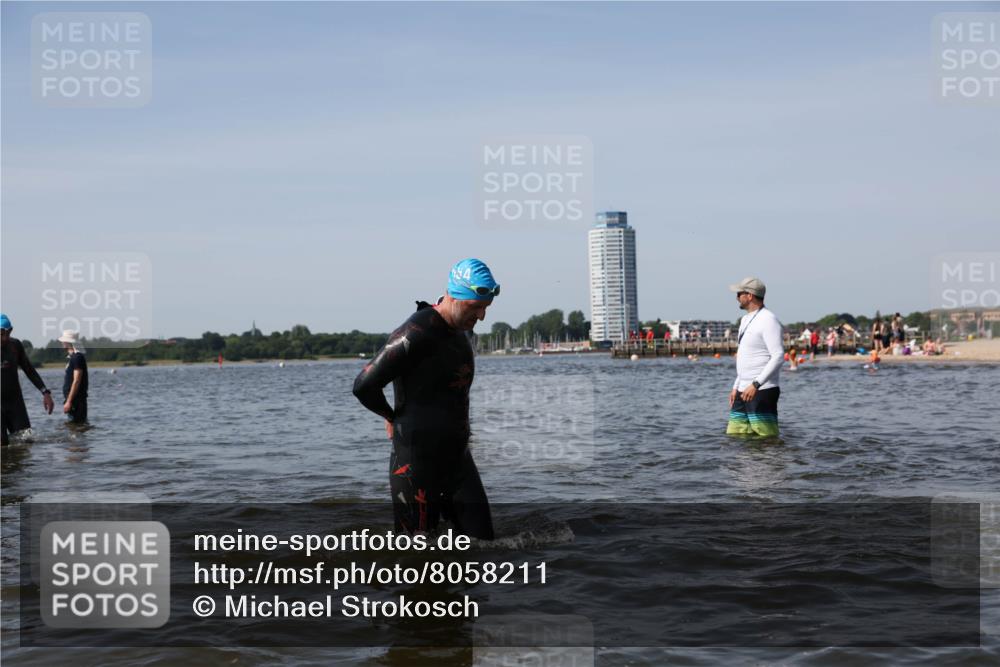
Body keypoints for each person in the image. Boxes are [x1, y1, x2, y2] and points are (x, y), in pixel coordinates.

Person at [352, 259, 498, 540]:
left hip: (457, 462)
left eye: (485, 308)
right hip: (416, 467)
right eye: (475, 307)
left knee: (485, 546)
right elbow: (364, 385)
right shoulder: (416, 332)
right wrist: (390, 415)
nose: (481, 316)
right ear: (453, 296)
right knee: (416, 557)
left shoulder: (460, 328)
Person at [727, 277, 783, 438]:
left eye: (739, 293)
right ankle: (746, 465)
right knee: (735, 436)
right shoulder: (745, 320)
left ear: (750, 295)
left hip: (762, 389)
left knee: (766, 439)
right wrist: (736, 386)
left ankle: (768, 464)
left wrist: (756, 384)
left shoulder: (769, 320)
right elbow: (746, 356)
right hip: (743, 389)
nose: (737, 297)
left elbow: (778, 356)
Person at [1, 314, 54, 445]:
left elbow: (29, 370)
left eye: (7, 333)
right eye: (1, 334)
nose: (4, 338)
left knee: (26, 441)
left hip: (15, 402)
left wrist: (45, 392)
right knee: (2, 444)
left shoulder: (15, 346)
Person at [58, 330, 89, 424]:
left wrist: (69, 401)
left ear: (68, 342)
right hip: (75, 401)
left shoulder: (77, 358)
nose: (62, 342)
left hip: (76, 402)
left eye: (64, 340)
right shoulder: (73, 357)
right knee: (75, 429)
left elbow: (76, 381)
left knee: (77, 428)